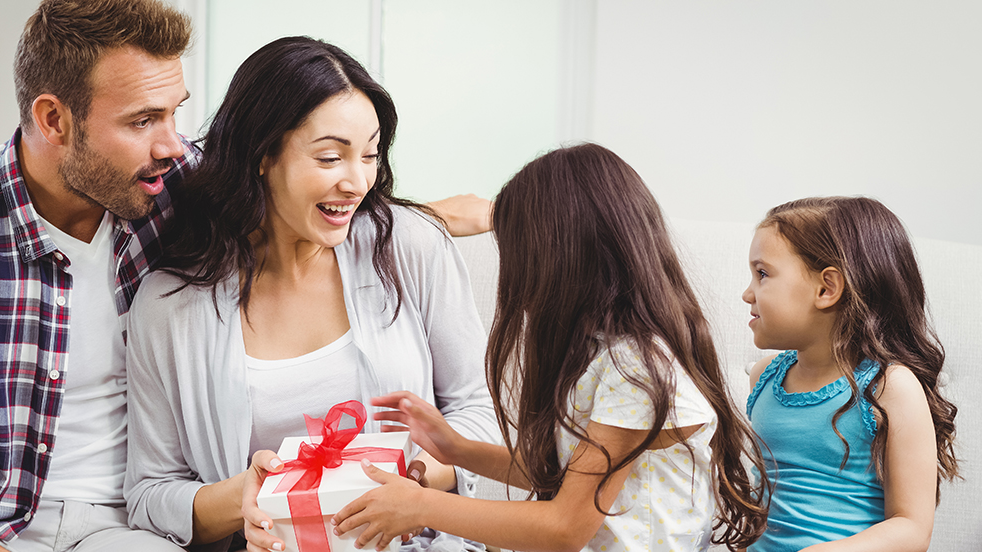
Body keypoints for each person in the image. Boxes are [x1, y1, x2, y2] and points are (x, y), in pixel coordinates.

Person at [0, 3, 490, 551]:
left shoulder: (173, 185)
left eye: (176, 113)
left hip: (130, 529)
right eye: (143, 120)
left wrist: (419, 222)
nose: (174, 145)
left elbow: (297, 203)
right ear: (55, 120)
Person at [121, 36, 499, 552]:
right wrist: (243, 498)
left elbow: (479, 408)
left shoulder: (411, 244)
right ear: (262, 155)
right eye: (330, 158)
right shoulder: (170, 304)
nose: (358, 181)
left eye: (370, 155)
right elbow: (149, 493)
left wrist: (418, 479)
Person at [322, 143, 769, 552]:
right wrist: (456, 449)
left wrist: (420, 508)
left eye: (518, 252)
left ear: (561, 257)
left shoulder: (638, 368)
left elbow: (564, 528)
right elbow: (564, 477)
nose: (513, 272)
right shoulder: (603, 353)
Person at [739, 197, 958, 551]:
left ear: (827, 289)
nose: (747, 293)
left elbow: (913, 528)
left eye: (762, 274)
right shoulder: (763, 378)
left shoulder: (889, 388)